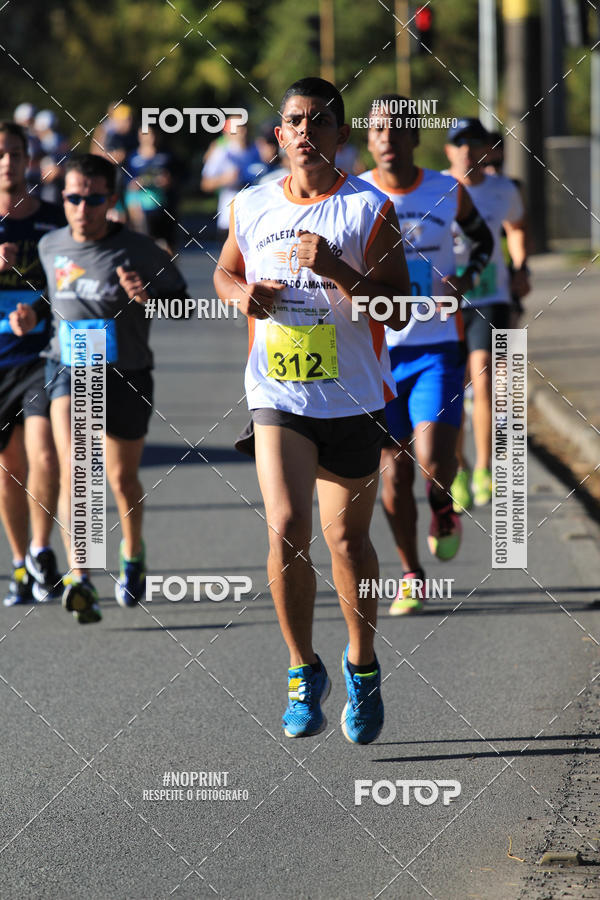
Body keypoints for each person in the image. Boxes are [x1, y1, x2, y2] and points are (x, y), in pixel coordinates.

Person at [214, 77, 410, 744]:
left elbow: (399, 308)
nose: (306, 131)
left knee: (347, 541)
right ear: (279, 135)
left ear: (340, 135)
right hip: (278, 394)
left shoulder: (368, 210)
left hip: (352, 398)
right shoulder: (251, 203)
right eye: (295, 120)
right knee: (287, 526)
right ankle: (302, 670)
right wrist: (242, 296)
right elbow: (223, 272)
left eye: (320, 121)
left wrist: (340, 272)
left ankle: (362, 666)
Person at [10, 153, 187, 623]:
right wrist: (33, 315)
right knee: (76, 465)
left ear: (110, 199)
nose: (81, 208)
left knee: (122, 479)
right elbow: (52, 300)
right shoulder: (51, 246)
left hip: (128, 371)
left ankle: (132, 552)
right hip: (68, 366)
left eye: (92, 199)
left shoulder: (140, 249)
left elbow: (184, 307)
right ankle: (82, 577)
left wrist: (148, 298)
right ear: (62, 198)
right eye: (72, 198)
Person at [361, 97, 493, 615]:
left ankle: (442, 500)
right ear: (368, 141)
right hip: (376, 354)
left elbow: (483, 242)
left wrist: (466, 279)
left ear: (416, 139)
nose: (387, 138)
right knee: (393, 470)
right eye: (377, 130)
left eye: (397, 130)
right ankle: (410, 573)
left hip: (436, 346)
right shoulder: (355, 193)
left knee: (435, 461)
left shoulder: (446, 189)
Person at [444, 118, 530, 510]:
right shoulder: (435, 188)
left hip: (490, 295)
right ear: (449, 150)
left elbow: (515, 227)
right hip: (446, 302)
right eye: (458, 143)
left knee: (484, 379)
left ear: (486, 150)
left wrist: (520, 266)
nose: (467, 151)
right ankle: (458, 471)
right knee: (452, 389)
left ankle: (485, 468)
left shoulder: (503, 189)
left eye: (473, 143)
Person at [0, 121, 65, 606]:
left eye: (15, 154)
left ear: (29, 159)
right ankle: (21, 566)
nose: (8, 163)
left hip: (42, 356)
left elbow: (72, 279)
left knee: (45, 455)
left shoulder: (52, 218)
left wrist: (37, 308)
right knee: (9, 469)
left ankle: (43, 552)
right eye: (1, 154)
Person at [484, 131, 532, 328]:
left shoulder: (512, 187)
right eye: (486, 165)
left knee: (510, 348)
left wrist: (522, 270)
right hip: (477, 277)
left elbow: (522, 229)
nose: (492, 171)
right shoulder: (462, 190)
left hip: (508, 272)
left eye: (497, 164)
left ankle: (512, 358)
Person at [124, 124, 182, 253]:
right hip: (140, 206)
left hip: (164, 206)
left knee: (167, 245)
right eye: (145, 134)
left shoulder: (167, 156)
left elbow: (180, 177)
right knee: (144, 243)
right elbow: (127, 182)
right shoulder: (132, 157)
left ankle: (169, 270)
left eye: (152, 134)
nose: (149, 138)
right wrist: (138, 183)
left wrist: (168, 181)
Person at [201, 120, 261, 240]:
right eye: (237, 128)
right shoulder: (221, 152)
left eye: (244, 127)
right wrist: (224, 179)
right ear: (227, 132)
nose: (243, 131)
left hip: (255, 215)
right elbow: (205, 184)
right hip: (229, 216)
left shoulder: (257, 151)